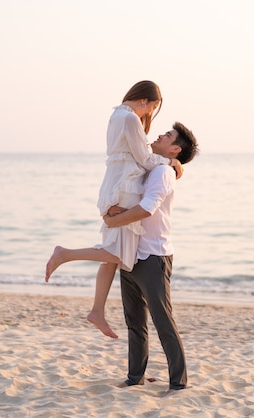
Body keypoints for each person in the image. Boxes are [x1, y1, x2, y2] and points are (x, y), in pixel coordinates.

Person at [45, 81, 183, 339]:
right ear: (144, 101)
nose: (149, 114)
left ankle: (97, 310)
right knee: (119, 254)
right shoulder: (130, 119)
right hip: (124, 189)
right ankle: (65, 254)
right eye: (152, 108)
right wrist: (171, 161)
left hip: (116, 186)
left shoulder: (117, 115)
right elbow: (144, 159)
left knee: (114, 255)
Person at [103, 121, 199, 393]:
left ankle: (178, 383)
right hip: (132, 253)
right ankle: (135, 378)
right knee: (134, 321)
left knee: (163, 321)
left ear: (175, 149)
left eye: (167, 135)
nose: (159, 134)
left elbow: (147, 208)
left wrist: (114, 220)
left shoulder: (162, 173)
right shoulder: (156, 166)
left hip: (153, 257)